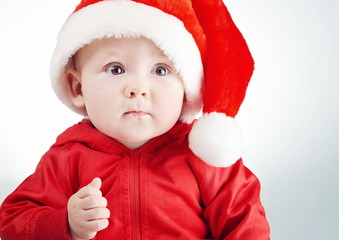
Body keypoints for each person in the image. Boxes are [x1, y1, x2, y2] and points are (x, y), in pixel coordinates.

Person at [0, 0, 270, 239]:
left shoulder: (203, 157)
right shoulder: (67, 158)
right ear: (78, 88)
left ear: (187, 88)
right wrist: (67, 224)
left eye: (161, 70)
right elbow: (11, 222)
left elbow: (246, 224)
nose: (138, 87)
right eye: (116, 69)